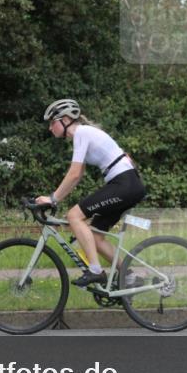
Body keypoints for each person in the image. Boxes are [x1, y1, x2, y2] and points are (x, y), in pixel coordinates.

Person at [35, 99, 146, 288]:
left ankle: (95, 271)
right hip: (126, 183)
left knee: (74, 216)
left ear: (66, 119)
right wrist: (55, 198)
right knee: (95, 236)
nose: (50, 128)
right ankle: (128, 277)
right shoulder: (83, 135)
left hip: (124, 183)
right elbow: (76, 177)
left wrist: (53, 199)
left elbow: (75, 173)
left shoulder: (81, 133)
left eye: (52, 122)